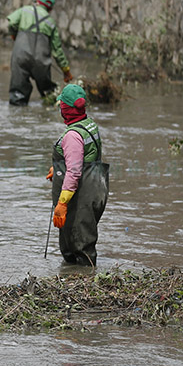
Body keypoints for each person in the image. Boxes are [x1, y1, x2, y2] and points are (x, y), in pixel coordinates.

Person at [47, 83, 109, 265]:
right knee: (81, 240)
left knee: (79, 247)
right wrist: (58, 169)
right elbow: (84, 158)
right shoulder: (89, 124)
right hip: (97, 188)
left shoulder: (72, 136)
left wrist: (62, 203)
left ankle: (86, 281)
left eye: (61, 107)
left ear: (65, 109)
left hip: (80, 196)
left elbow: (74, 172)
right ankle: (74, 277)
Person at [6, 0, 72, 106]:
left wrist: (14, 35)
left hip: (20, 57)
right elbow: (57, 51)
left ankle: (17, 118)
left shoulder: (24, 10)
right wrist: (66, 71)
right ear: (50, 9)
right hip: (41, 62)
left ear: (37, 2)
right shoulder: (51, 23)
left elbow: (11, 23)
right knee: (48, 93)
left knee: (17, 95)